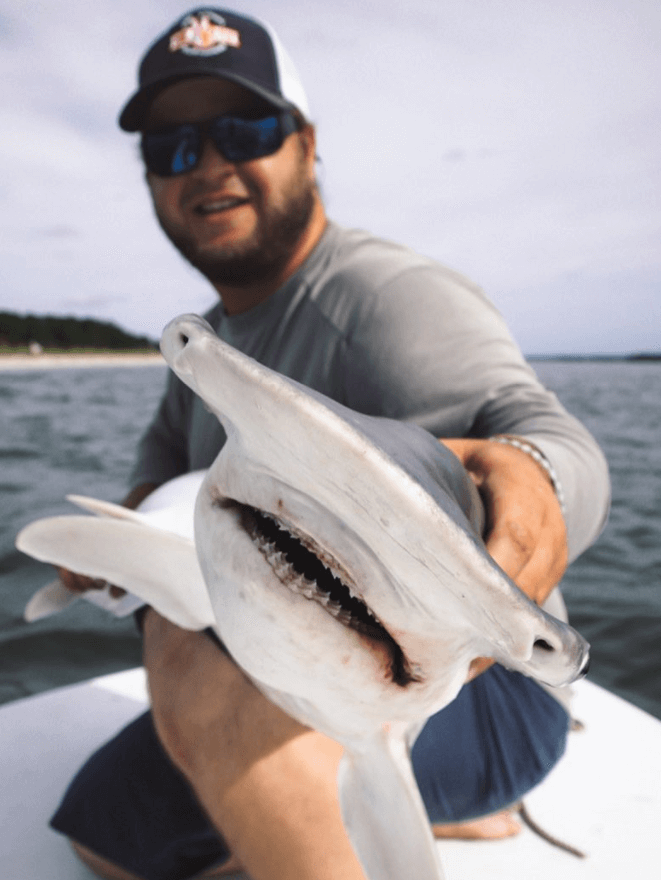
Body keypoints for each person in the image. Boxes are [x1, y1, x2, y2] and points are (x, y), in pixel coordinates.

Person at [52, 8, 610, 880]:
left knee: (181, 651)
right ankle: (414, 816)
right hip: (287, 665)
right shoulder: (201, 349)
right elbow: (150, 492)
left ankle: (403, 800)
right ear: (153, 177)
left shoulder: (389, 301)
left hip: (478, 697)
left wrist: (536, 482)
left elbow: (549, 438)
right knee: (99, 836)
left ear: (307, 145)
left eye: (245, 130)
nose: (209, 164)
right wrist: (108, 556)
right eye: (173, 147)